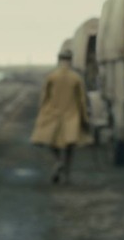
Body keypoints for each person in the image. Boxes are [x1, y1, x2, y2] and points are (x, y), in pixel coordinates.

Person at [30, 49, 91, 184]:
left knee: (52, 142)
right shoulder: (76, 78)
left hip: (53, 113)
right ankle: (67, 175)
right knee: (70, 146)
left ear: (59, 59)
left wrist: (42, 114)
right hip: (71, 115)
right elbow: (82, 100)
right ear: (71, 59)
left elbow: (44, 98)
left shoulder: (51, 76)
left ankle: (58, 162)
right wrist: (85, 118)